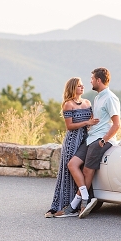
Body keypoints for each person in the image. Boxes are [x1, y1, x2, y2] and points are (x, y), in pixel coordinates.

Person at [60, 67, 120, 218]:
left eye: (92, 79)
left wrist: (104, 140)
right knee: (72, 164)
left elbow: (117, 124)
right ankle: (84, 198)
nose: (90, 81)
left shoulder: (110, 98)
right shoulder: (98, 97)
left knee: (87, 171)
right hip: (90, 138)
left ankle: (76, 205)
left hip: (100, 140)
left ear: (99, 80)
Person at [46, 78, 99, 217]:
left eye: (82, 85)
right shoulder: (68, 104)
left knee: (82, 169)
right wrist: (87, 122)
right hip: (72, 141)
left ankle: (79, 202)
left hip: (86, 139)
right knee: (69, 171)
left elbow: (93, 121)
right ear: (73, 88)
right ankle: (67, 204)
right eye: (79, 86)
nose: (82, 87)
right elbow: (69, 126)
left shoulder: (87, 102)